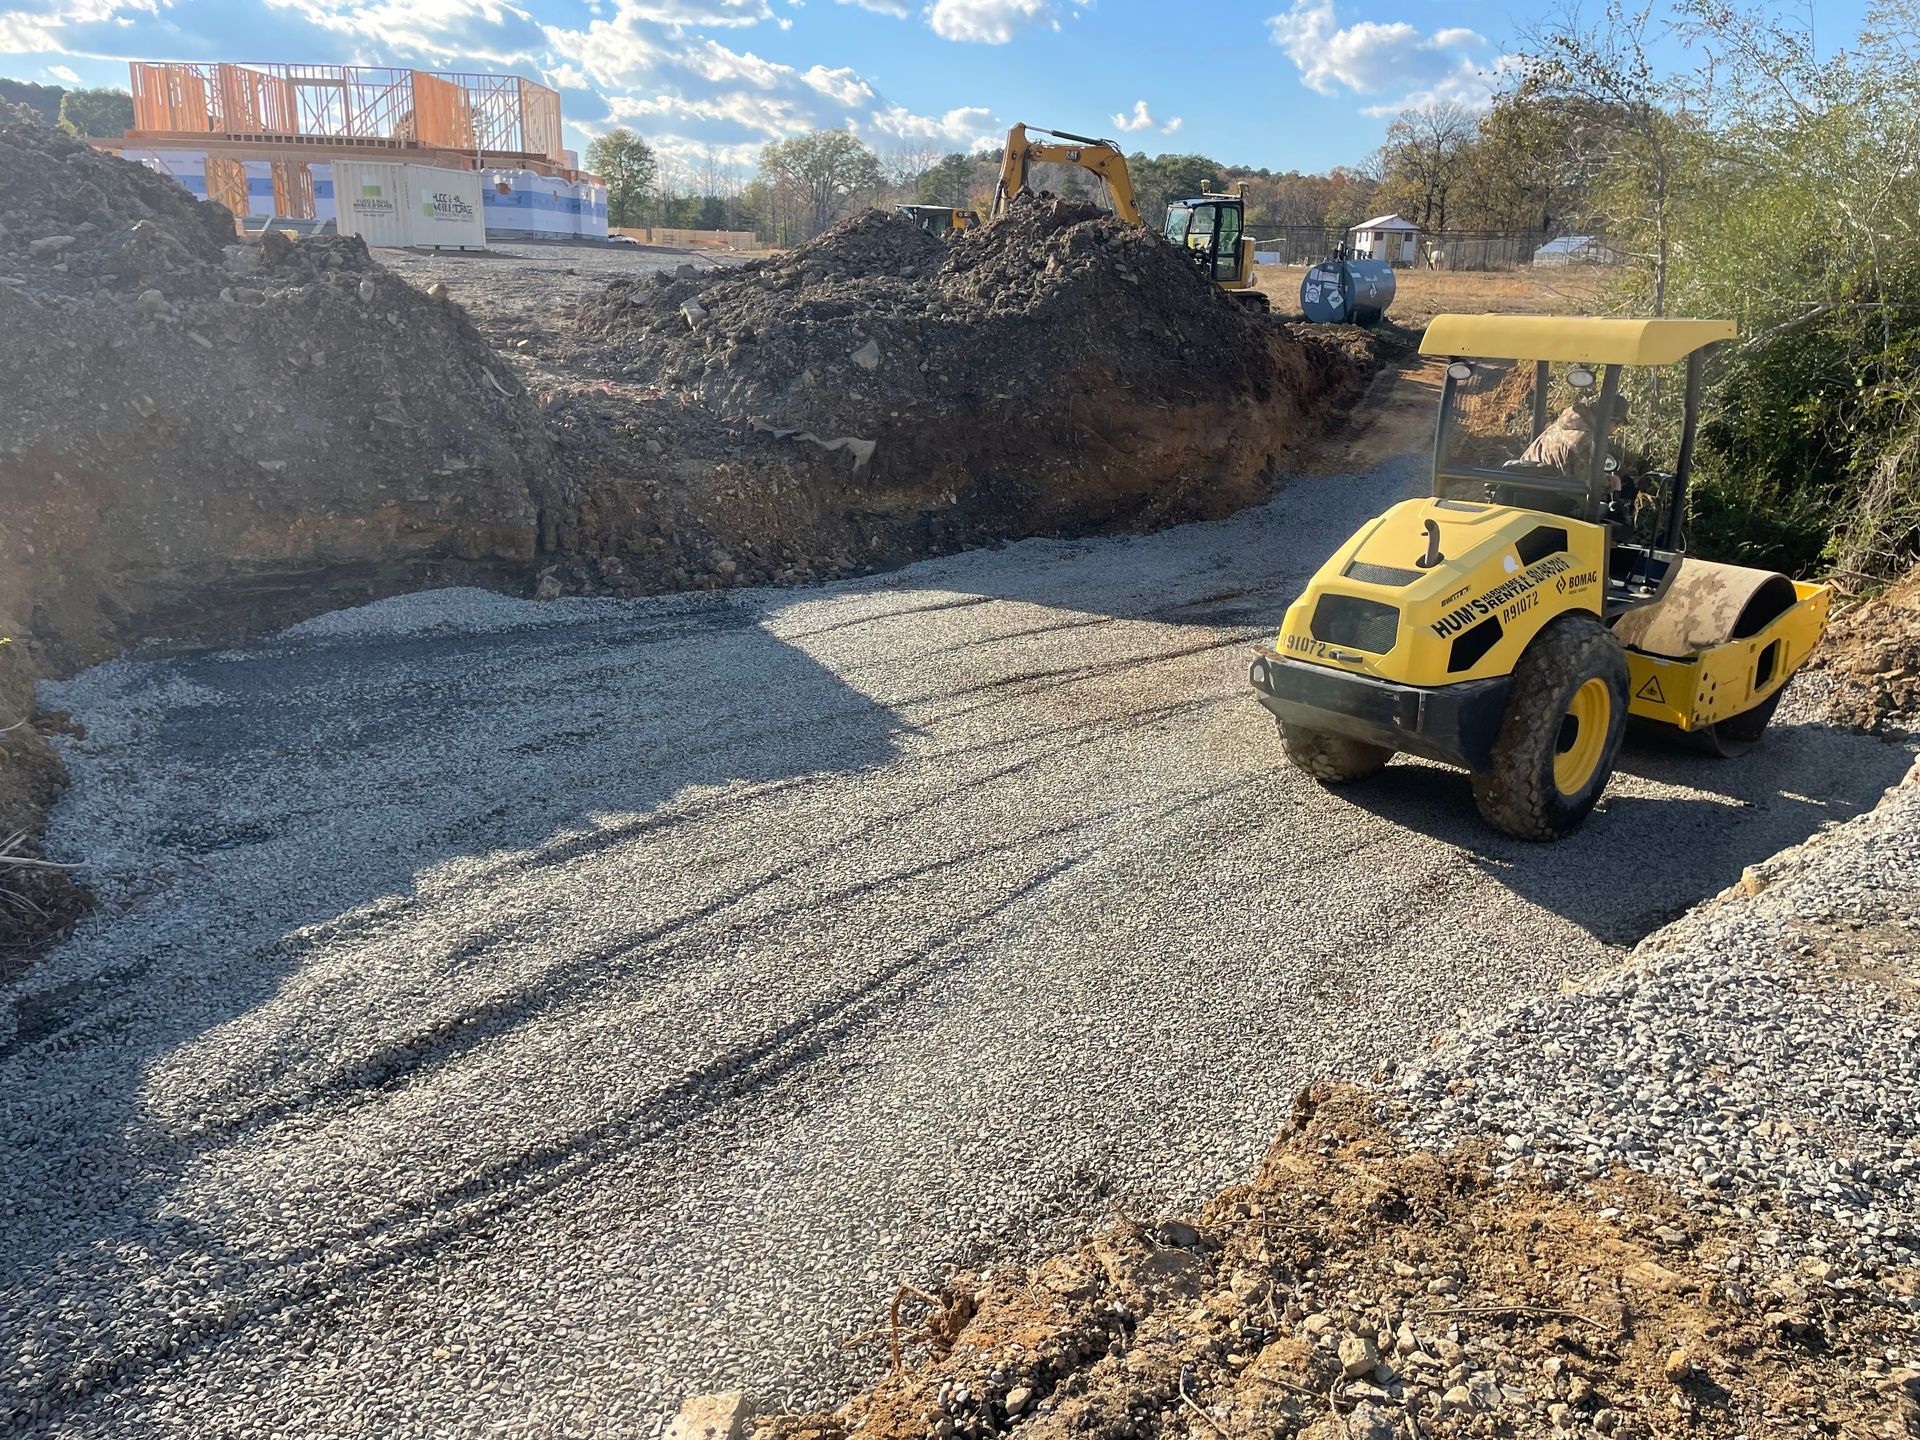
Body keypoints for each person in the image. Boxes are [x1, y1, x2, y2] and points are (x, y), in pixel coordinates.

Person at [1518, 394, 1630, 478]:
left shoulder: (1562, 425)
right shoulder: (1588, 441)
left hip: (1522, 484)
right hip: (1545, 498)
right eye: (1618, 424)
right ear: (1611, 419)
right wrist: (1609, 482)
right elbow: (1586, 484)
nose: (1616, 429)